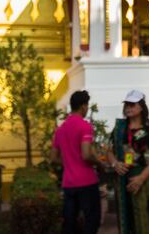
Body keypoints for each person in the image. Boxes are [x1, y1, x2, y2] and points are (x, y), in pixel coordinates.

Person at [106, 90, 149, 234]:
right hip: (123, 177)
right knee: (125, 217)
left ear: (141, 107)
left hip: (143, 177)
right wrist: (115, 164)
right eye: (126, 104)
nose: (128, 108)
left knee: (142, 216)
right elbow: (108, 150)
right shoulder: (120, 128)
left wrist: (141, 178)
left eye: (132, 104)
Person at [51, 90, 103, 234]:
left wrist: (69, 162)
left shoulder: (60, 130)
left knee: (70, 223)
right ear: (83, 107)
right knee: (92, 221)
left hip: (68, 184)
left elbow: (53, 158)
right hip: (87, 183)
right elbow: (86, 155)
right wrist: (99, 163)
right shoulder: (84, 126)